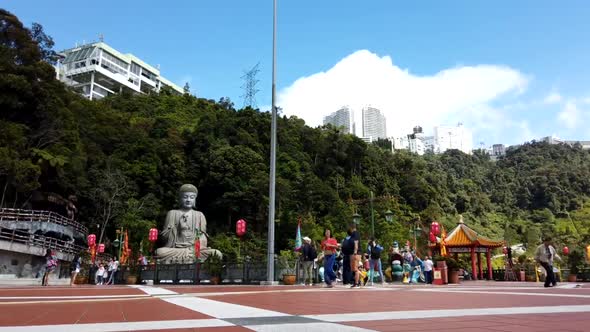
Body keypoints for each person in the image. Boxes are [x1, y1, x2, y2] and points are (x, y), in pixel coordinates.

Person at [156, 184, 221, 263]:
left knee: (217, 254)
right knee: (159, 252)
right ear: (180, 198)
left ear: (195, 199)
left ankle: (189, 256)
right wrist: (179, 229)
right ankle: (190, 257)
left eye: (192, 197)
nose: (188, 200)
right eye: (185, 197)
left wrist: (195, 249)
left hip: (195, 250)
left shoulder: (199, 215)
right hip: (176, 249)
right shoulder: (172, 213)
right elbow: (164, 237)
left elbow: (202, 237)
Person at [348, 223, 361, 288]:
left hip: (355, 253)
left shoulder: (355, 233)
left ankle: (357, 283)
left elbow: (356, 243)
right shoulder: (354, 234)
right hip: (353, 253)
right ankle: (355, 282)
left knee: (355, 269)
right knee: (353, 269)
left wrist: (355, 253)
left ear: (351, 228)